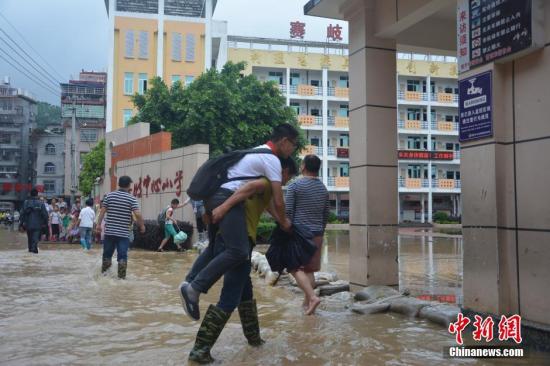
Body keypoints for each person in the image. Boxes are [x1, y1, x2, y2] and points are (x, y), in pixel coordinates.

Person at [179, 123, 298, 321]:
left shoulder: (257, 152)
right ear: (284, 141)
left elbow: (267, 201)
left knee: (219, 253)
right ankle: (193, 289)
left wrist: (279, 219)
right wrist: (285, 222)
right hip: (226, 198)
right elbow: (278, 200)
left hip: (214, 196)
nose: (293, 149)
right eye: (293, 144)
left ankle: (190, 283)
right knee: (238, 251)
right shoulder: (272, 160)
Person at [185, 157, 297, 364]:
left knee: (245, 294)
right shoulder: (263, 181)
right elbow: (248, 190)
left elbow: (270, 207)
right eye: (288, 177)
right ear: (283, 171)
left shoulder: (265, 188)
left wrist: (284, 222)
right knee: (229, 298)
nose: (286, 182)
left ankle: (254, 340)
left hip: (241, 240)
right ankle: (200, 351)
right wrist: (223, 208)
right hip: (239, 241)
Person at [285, 154, 329, 315]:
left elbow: (288, 211)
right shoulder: (323, 188)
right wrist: (321, 231)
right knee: (309, 270)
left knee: (294, 267)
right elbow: (326, 214)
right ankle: (306, 305)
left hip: (299, 234)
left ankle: (312, 297)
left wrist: (286, 232)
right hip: (317, 233)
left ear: (303, 166)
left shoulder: (294, 186)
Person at [95, 176, 145, 279]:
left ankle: (104, 277)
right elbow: (138, 214)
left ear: (119, 184)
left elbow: (102, 211)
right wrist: (142, 225)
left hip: (109, 233)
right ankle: (121, 279)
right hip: (123, 234)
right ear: (129, 185)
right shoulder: (131, 199)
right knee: (122, 258)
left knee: (107, 256)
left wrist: (98, 225)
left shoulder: (109, 196)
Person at [20, 188, 49, 253]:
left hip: (28, 225)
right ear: (37, 194)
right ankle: (34, 252)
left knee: (30, 240)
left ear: (30, 194)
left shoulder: (26, 202)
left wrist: (21, 224)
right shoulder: (41, 203)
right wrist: (45, 224)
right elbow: (45, 215)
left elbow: (22, 214)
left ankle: (31, 253)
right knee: (35, 240)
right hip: (38, 225)